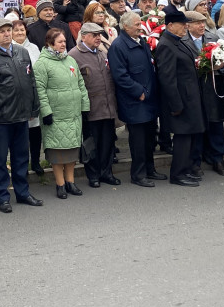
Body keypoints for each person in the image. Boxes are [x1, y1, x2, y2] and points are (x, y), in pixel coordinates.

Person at [0, 17, 43, 212]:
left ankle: (23, 193)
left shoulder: (22, 53)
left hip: (22, 115)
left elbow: (31, 82)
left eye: (9, 30)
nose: (7, 34)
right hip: (1, 118)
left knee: (21, 157)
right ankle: (3, 197)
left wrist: (33, 108)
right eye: (2, 31)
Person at [108, 11, 163, 187]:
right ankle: (138, 174)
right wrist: (138, 91)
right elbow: (120, 75)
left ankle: (150, 169)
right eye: (137, 25)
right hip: (135, 100)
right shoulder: (118, 46)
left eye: (140, 24)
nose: (141, 28)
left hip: (148, 97)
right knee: (138, 141)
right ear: (125, 26)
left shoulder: (141, 42)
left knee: (149, 138)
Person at [34, 27, 90, 198]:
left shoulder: (70, 61)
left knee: (72, 150)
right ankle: (60, 184)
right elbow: (40, 90)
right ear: (50, 43)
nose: (63, 44)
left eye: (65, 41)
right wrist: (46, 112)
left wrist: (85, 106)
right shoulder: (42, 64)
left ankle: (70, 182)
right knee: (58, 152)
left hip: (73, 114)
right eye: (60, 42)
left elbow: (81, 84)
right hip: (55, 116)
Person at [154, 7, 205, 187]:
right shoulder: (166, 45)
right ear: (170, 25)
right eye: (182, 24)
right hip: (180, 100)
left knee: (189, 136)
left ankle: (187, 169)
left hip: (190, 97)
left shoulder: (178, 41)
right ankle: (178, 173)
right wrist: (176, 105)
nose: (185, 27)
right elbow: (167, 79)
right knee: (182, 138)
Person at [69, 22, 119, 188]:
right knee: (91, 144)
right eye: (94, 35)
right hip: (90, 108)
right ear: (84, 37)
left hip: (107, 105)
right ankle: (93, 175)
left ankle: (107, 172)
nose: (98, 38)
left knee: (108, 142)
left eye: (99, 35)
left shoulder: (102, 53)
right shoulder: (74, 55)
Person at [185, 11, 224, 176]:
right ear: (188, 25)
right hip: (193, 89)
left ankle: (218, 158)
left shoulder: (213, 38)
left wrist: (221, 66)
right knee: (196, 125)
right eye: (198, 23)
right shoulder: (183, 41)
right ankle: (195, 161)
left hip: (212, 87)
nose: (202, 26)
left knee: (215, 122)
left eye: (203, 22)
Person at [10, 19, 43, 175]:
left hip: (33, 94)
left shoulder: (34, 48)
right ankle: (20, 166)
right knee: (20, 135)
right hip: (16, 97)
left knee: (35, 132)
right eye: (16, 30)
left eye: (22, 30)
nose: (20, 33)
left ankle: (36, 161)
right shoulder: (8, 48)